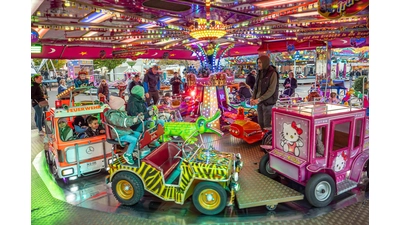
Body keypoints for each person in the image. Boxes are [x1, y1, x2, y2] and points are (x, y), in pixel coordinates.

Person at [105, 96, 143, 165]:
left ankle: (134, 151)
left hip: (125, 132)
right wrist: (132, 120)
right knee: (133, 140)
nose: (124, 106)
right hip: (119, 135)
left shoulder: (122, 113)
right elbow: (121, 121)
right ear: (118, 107)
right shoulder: (113, 116)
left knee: (139, 134)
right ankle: (127, 154)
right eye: (123, 105)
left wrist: (137, 119)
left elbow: (129, 118)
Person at [250, 55, 279, 130]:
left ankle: (267, 140)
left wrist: (259, 99)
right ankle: (262, 139)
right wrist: (253, 97)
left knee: (267, 125)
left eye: (260, 62)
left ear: (265, 63)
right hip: (259, 102)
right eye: (258, 62)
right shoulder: (259, 73)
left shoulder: (273, 73)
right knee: (260, 123)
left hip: (268, 102)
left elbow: (271, 90)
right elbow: (256, 87)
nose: (258, 64)